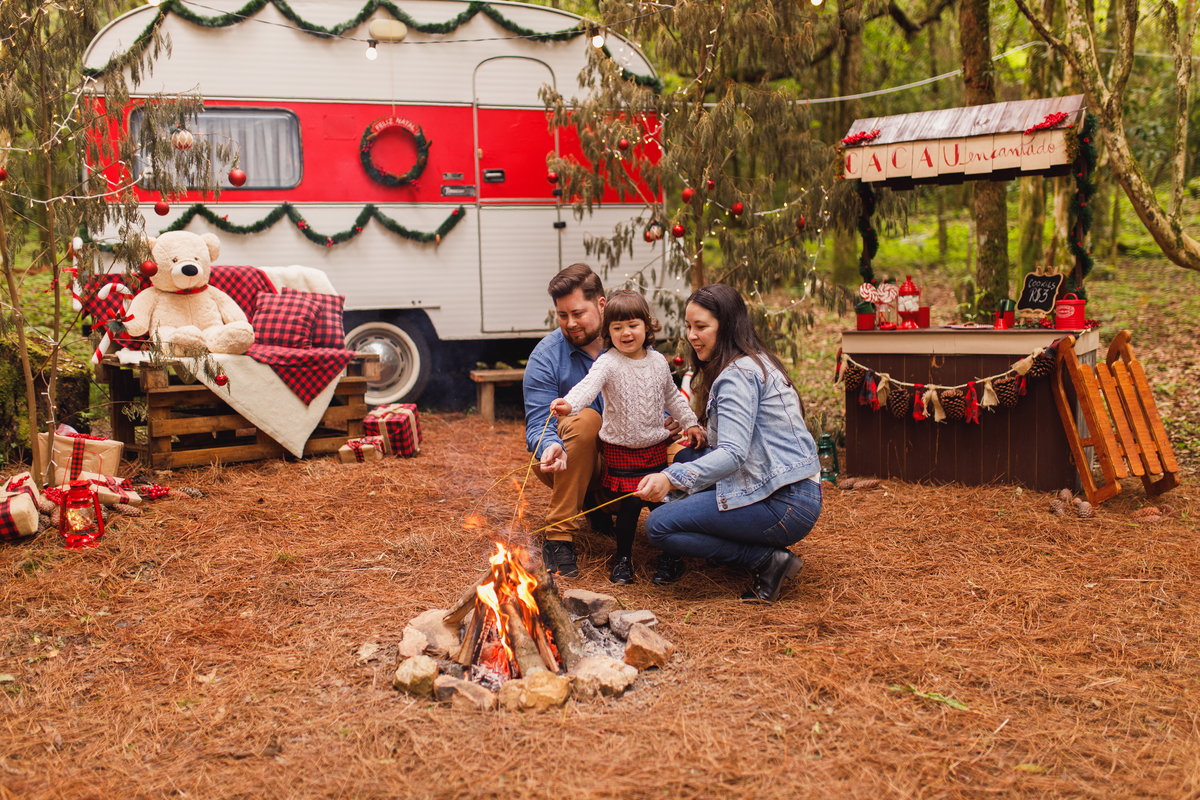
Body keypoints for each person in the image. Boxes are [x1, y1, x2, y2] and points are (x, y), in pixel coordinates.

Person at [635, 284, 822, 602]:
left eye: (701, 327)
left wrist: (669, 478)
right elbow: (753, 438)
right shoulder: (756, 361)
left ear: (727, 325)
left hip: (784, 504)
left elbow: (734, 454)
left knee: (659, 526)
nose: (692, 336)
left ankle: (765, 560)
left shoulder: (737, 375)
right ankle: (727, 548)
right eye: (689, 326)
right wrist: (704, 437)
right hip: (795, 493)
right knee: (686, 457)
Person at [522, 264, 682, 578]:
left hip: (629, 457)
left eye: (578, 313)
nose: (570, 323)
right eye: (562, 315)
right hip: (569, 462)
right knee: (586, 421)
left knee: (682, 456)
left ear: (601, 304)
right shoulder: (546, 356)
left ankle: (677, 542)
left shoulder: (635, 347)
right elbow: (538, 422)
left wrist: (670, 422)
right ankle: (558, 536)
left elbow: (660, 398)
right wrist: (551, 446)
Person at [550, 290, 705, 585]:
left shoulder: (658, 362)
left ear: (647, 325)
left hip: (655, 448)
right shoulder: (608, 362)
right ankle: (623, 558)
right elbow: (587, 387)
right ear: (608, 331)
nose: (626, 333)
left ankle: (671, 557)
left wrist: (691, 423)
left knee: (662, 504)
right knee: (629, 506)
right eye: (617, 327)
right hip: (622, 450)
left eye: (632, 325)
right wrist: (569, 405)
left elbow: (673, 397)